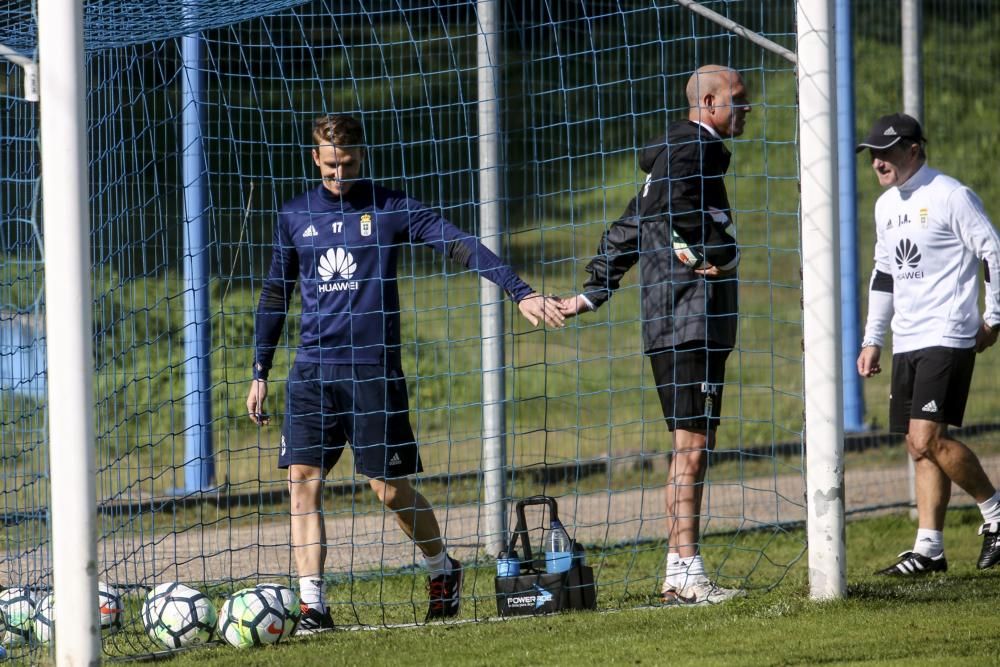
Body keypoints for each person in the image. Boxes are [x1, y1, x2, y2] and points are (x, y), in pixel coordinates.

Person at [246, 114, 564, 631]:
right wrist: (260, 368)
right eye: (329, 167)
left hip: (372, 370)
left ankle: (442, 568)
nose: (339, 176)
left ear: (360, 156)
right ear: (314, 159)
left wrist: (519, 290)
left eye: (347, 165)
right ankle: (313, 606)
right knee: (301, 483)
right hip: (310, 372)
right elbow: (275, 294)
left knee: (387, 489)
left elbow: (458, 242)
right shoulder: (294, 214)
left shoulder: (390, 208)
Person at [557, 65, 749, 604]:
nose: (746, 109)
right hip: (688, 318)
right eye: (738, 99)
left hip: (675, 321)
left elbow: (631, 224)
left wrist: (594, 289)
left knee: (691, 445)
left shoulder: (672, 155)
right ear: (709, 101)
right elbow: (675, 210)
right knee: (691, 448)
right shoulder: (694, 148)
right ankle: (687, 570)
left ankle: (677, 570)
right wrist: (717, 250)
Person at [856, 112, 1000, 576]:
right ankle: (929, 549)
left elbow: (992, 252)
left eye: (887, 152)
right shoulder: (885, 206)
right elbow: (884, 274)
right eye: (872, 154)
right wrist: (873, 338)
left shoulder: (951, 195)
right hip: (909, 336)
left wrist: (994, 319)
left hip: (948, 332)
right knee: (916, 446)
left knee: (927, 438)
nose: (877, 161)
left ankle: (996, 514)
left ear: (914, 149)